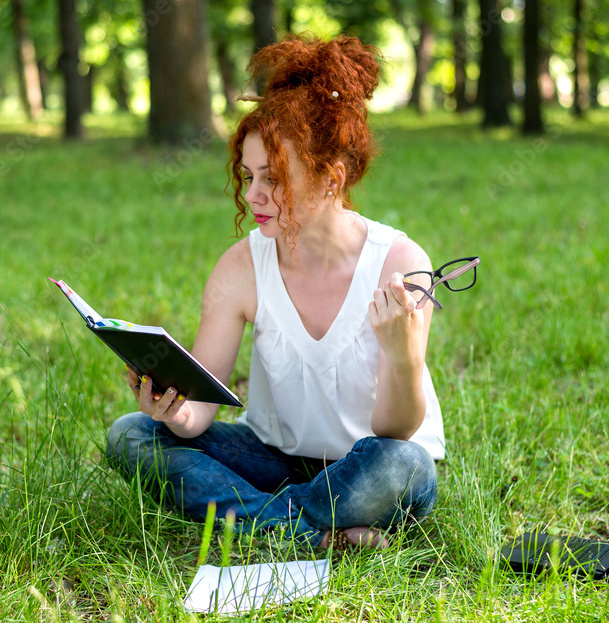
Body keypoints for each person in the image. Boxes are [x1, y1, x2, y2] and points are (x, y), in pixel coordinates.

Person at [107, 35, 444, 551]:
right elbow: (199, 411)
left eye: (274, 178)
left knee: (399, 465)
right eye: (247, 177)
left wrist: (403, 358)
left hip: (373, 463)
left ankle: (267, 521)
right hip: (274, 459)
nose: (252, 196)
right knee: (131, 435)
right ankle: (310, 531)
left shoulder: (399, 264)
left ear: (331, 179)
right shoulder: (240, 267)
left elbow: (394, 430)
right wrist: (173, 410)